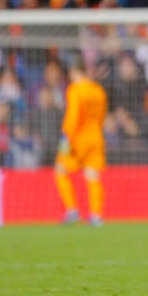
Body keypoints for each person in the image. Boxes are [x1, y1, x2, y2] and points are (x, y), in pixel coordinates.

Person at [54, 55, 109, 226]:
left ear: (73, 71)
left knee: (60, 170)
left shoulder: (75, 90)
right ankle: (96, 215)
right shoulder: (98, 90)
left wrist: (65, 140)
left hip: (77, 139)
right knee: (92, 175)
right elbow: (101, 116)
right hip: (96, 137)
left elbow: (72, 117)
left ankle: (72, 210)